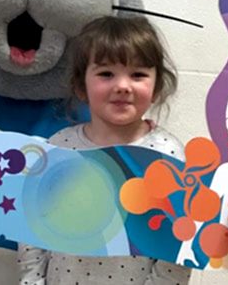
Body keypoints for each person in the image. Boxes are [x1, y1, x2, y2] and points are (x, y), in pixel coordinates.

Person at [18, 16, 190, 285]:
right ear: (80, 86)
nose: (123, 85)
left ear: (156, 88)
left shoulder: (168, 155)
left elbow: (176, 250)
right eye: (106, 74)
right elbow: (32, 228)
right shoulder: (58, 148)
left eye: (138, 75)